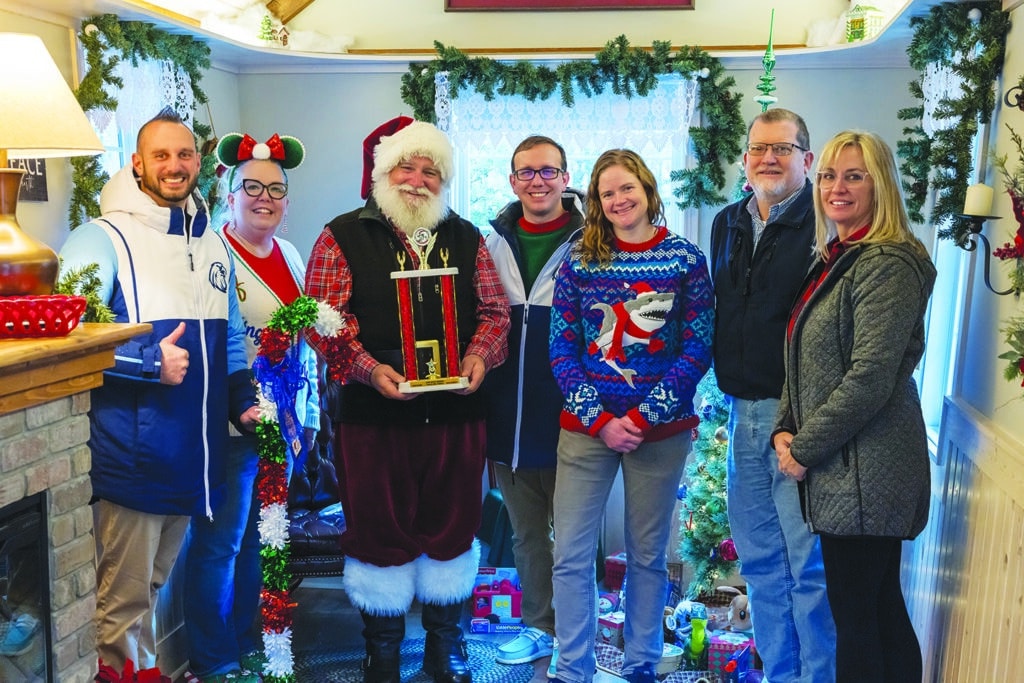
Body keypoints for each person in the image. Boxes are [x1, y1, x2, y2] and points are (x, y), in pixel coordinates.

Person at [304, 116, 510, 683]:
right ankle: (383, 653)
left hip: (456, 417)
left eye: (431, 172)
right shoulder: (339, 235)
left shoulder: (468, 236)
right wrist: (369, 371)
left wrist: (480, 358)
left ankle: (446, 647)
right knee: (377, 529)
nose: (418, 180)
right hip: (373, 421)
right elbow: (322, 323)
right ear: (381, 172)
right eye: (407, 167)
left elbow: (495, 314)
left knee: (453, 526)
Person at [58, 108, 259, 673]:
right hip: (134, 457)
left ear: (199, 162)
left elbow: (234, 338)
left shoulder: (214, 244)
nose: (175, 166)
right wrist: (148, 362)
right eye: (162, 155)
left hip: (193, 458)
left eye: (185, 154)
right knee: (121, 607)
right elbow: (68, 335)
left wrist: (243, 399)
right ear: (137, 164)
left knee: (150, 588)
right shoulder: (100, 238)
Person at [773, 130, 935, 683]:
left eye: (854, 176)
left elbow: (869, 376)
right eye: (828, 176)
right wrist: (784, 427)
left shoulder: (887, 263)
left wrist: (805, 447)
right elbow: (802, 355)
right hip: (846, 466)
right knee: (875, 609)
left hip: (869, 469)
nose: (836, 188)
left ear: (880, 184)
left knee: (861, 618)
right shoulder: (839, 256)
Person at [548, 149, 713, 683]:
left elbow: (697, 347)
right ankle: (574, 668)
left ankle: (642, 665)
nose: (618, 200)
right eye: (606, 192)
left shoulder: (684, 258)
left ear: (647, 188)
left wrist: (642, 418)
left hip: (660, 434)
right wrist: (601, 420)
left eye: (627, 188)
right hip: (585, 431)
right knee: (571, 555)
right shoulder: (578, 260)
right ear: (596, 201)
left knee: (645, 557)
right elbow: (561, 350)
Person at [182, 132, 319, 682]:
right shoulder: (213, 253)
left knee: (264, 539)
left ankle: (249, 638)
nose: (265, 197)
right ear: (230, 193)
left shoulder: (289, 253)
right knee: (223, 542)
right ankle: (215, 658)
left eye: (276, 189)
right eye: (253, 187)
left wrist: (307, 417)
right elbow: (217, 341)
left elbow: (306, 341)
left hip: (285, 420)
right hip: (236, 424)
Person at [708, 107, 836, 683]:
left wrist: (802, 425)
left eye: (782, 149)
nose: (768, 159)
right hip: (742, 415)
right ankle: (779, 674)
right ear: (745, 158)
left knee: (807, 567)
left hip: (797, 420)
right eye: (759, 148)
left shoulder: (824, 222)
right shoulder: (728, 221)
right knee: (760, 564)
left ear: (806, 159)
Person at [481, 135, 584, 671]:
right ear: (512, 179)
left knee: (572, 540)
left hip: (572, 419)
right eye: (526, 172)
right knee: (527, 537)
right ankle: (539, 629)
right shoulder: (489, 240)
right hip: (506, 421)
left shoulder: (594, 240)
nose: (537, 181)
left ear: (566, 178)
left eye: (548, 171)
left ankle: (574, 637)